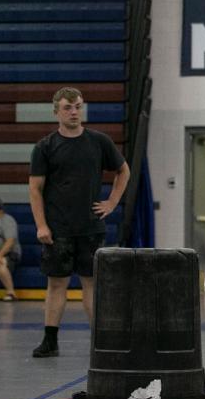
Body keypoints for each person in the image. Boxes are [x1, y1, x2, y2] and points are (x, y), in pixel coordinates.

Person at [28, 87, 130, 358]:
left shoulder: (99, 141)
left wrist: (112, 202)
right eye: (67, 108)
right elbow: (35, 189)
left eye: (78, 107)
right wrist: (41, 225)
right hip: (57, 227)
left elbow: (123, 170)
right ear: (56, 111)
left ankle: (100, 340)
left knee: (92, 285)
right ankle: (50, 340)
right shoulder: (45, 147)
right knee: (57, 284)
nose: (74, 112)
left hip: (90, 226)